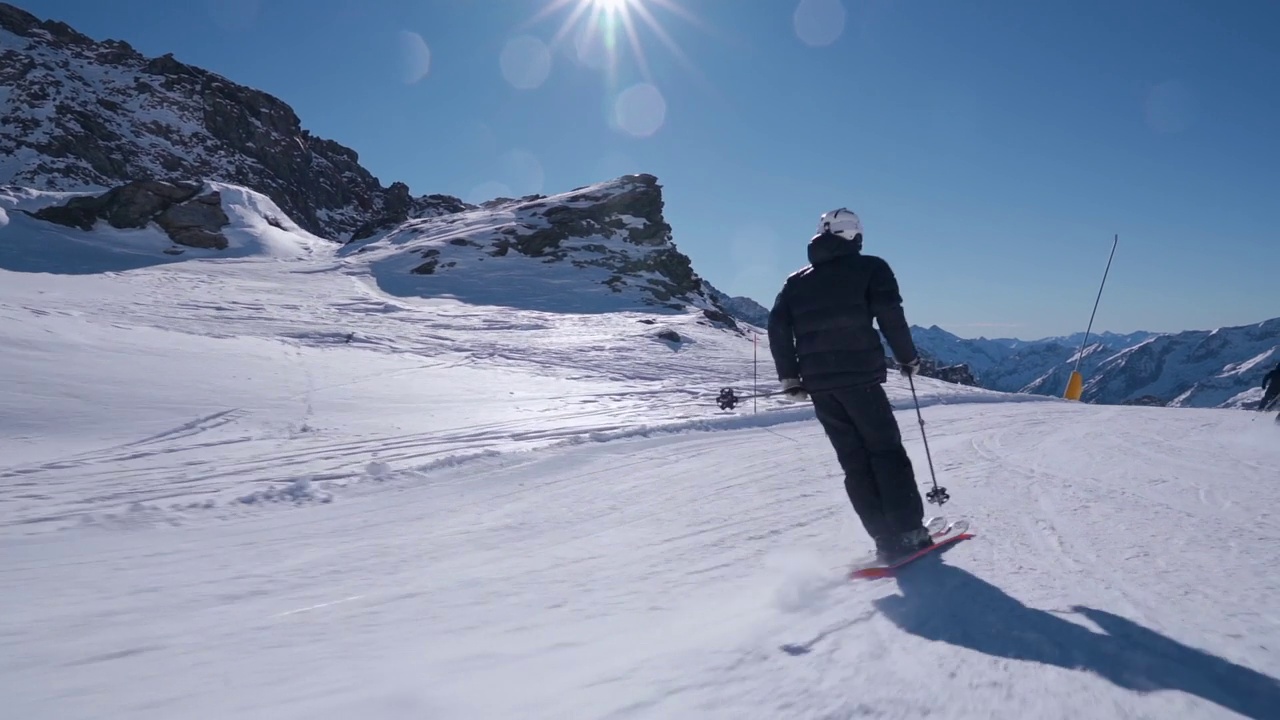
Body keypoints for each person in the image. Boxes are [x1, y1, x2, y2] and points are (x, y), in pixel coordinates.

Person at [767, 207, 930, 563]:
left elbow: (778, 328)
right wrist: (907, 358)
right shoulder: (872, 268)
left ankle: (885, 540)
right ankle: (911, 534)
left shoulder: (796, 281)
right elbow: (891, 315)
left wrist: (790, 376)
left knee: (854, 461)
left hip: (820, 387)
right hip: (860, 378)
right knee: (886, 453)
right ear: (854, 236)